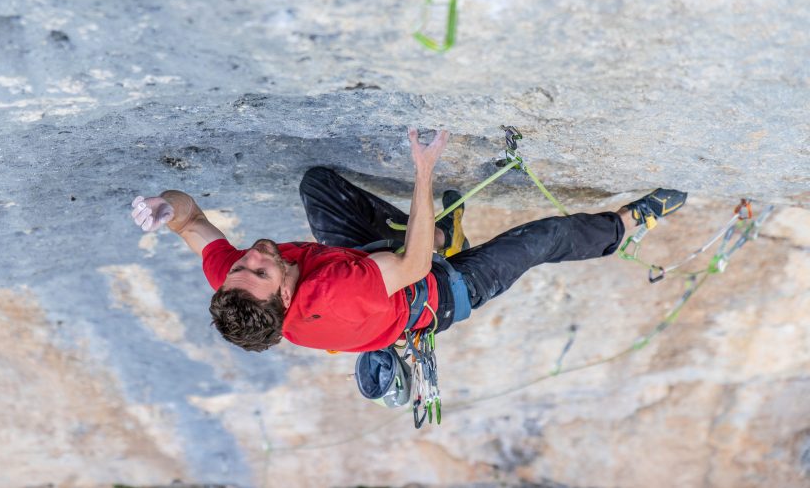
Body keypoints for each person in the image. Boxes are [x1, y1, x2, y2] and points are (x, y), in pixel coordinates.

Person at [131, 128, 686, 353]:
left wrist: (164, 206)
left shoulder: (236, 290)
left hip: (373, 268)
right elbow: (416, 265)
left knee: (318, 186)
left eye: (242, 267)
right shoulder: (340, 292)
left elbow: (189, 219)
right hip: (436, 292)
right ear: (281, 298)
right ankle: (631, 222)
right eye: (261, 270)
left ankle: (445, 228)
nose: (251, 257)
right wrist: (423, 173)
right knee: (542, 239)